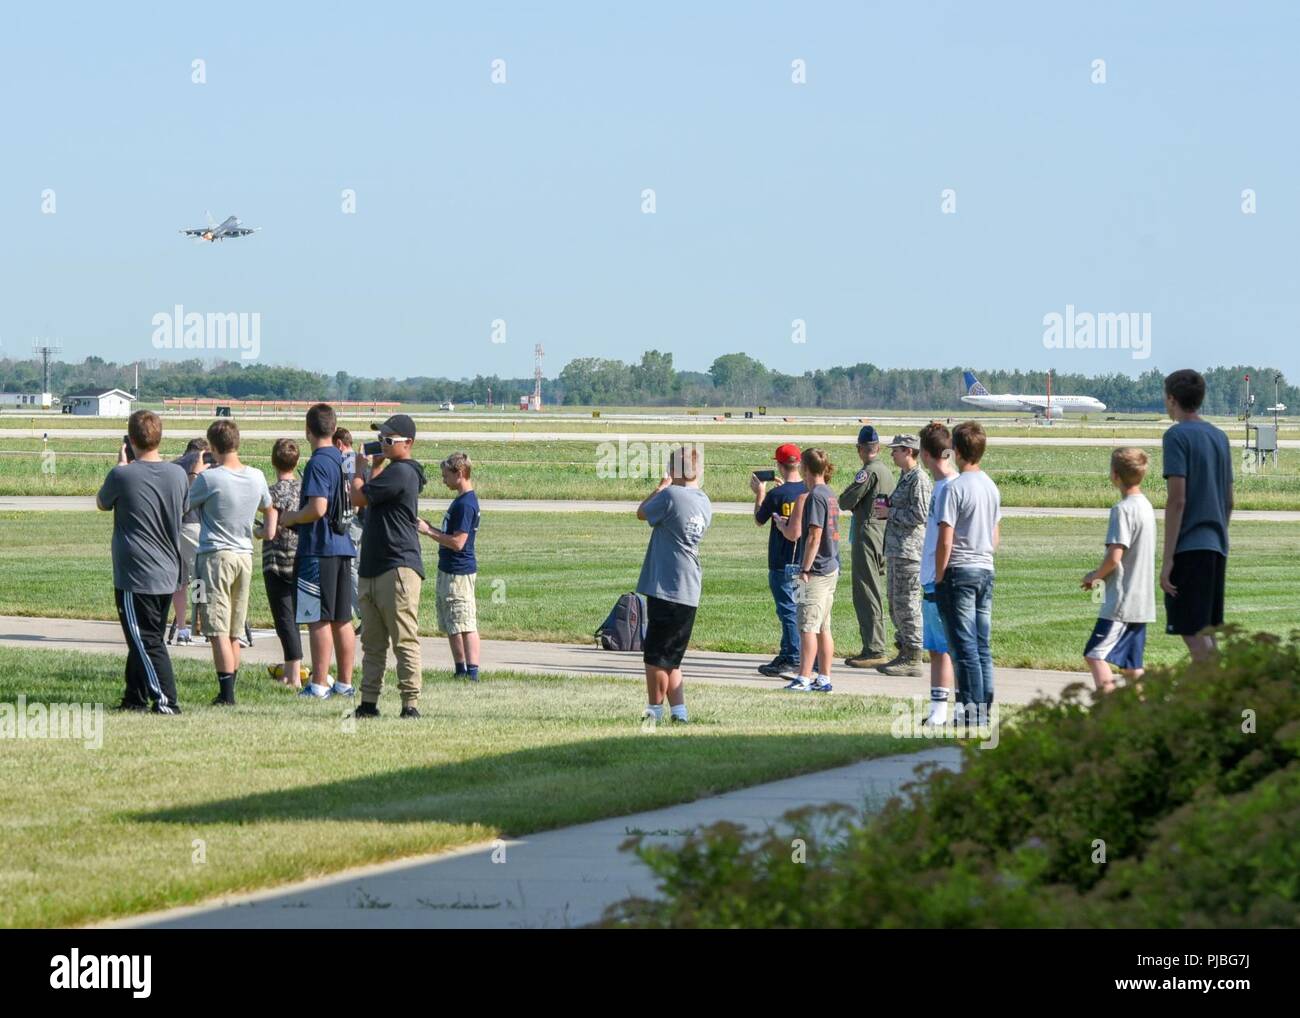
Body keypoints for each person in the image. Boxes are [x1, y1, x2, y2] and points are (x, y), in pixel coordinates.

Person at [95, 409, 188, 714]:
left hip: (138, 575)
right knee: (144, 637)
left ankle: (166, 701)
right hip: (168, 571)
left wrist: (122, 465)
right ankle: (134, 698)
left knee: (147, 641)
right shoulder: (177, 474)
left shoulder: (122, 475)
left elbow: (102, 503)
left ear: (131, 440)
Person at [187, 418, 272, 706]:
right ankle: (229, 689)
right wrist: (262, 532)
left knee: (215, 628)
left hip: (214, 556)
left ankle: (226, 695)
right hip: (244, 556)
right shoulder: (257, 476)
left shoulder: (210, 479)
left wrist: (197, 472)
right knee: (235, 629)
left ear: (212, 447)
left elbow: (185, 503)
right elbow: (269, 509)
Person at [278, 403, 357, 699]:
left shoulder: (318, 462)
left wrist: (291, 517)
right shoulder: (342, 459)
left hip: (318, 548)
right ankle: (345, 683)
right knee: (342, 618)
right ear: (334, 428)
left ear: (308, 430)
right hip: (342, 545)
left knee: (318, 619)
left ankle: (320, 684)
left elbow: (318, 508)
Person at [351, 414, 427, 718]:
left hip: (397, 567)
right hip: (373, 567)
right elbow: (369, 498)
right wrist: (375, 466)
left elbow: (358, 495)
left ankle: (411, 703)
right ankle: (368, 702)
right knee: (372, 643)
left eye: (388, 440)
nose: (381, 443)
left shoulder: (404, 472)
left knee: (404, 640)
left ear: (407, 444)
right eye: (381, 438)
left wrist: (359, 469)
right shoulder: (389, 473)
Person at [634, 444, 713, 723]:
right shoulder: (703, 500)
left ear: (673, 470)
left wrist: (660, 486)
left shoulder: (670, 496)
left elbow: (642, 512)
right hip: (689, 587)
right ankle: (679, 712)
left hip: (666, 585)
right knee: (673, 656)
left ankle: (653, 711)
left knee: (654, 655)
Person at [1160, 369, 1233, 662]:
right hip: (1216, 545)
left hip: (1189, 548)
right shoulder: (1219, 436)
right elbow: (1228, 500)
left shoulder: (1176, 436)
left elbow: (1177, 500)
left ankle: (1216, 698)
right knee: (1208, 635)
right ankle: (1217, 701)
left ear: (1171, 399)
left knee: (1192, 634)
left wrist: (1167, 560)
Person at [933, 421, 1001, 725]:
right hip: (984, 567)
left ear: (956, 451)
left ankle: (972, 713)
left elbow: (945, 538)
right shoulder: (990, 486)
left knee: (964, 646)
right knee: (982, 645)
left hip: (959, 570)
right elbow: (995, 534)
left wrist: (938, 575)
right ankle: (985, 709)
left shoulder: (955, 488)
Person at [1081, 448, 1157, 692]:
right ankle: (1144, 714)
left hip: (1122, 600)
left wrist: (1095, 576)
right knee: (1132, 665)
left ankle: (1111, 711)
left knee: (1094, 654)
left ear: (1115, 475)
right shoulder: (1146, 506)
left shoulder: (1123, 510)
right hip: (1143, 598)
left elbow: (1115, 557)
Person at [419, 451, 481, 680]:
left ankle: (471, 671)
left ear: (461, 473)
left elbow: (458, 542)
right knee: (453, 622)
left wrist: (429, 531)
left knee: (464, 621)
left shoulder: (466, 504)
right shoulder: (460, 501)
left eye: (446, 475)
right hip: (449, 569)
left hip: (458, 571)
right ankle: (460, 669)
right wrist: (432, 528)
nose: (443, 479)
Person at [782, 447, 840, 693]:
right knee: (823, 626)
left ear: (806, 468)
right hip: (831, 566)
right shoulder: (829, 493)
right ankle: (824, 676)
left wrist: (805, 568)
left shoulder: (815, 496)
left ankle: (804, 677)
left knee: (807, 625)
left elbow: (815, 535)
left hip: (815, 571)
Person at [838, 425, 894, 668]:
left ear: (860, 449)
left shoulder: (868, 472)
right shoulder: (886, 471)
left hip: (867, 531)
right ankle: (873, 645)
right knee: (872, 588)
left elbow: (845, 500)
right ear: (878, 448)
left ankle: (874, 648)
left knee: (866, 590)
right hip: (881, 531)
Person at [876, 434, 931, 677]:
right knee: (896, 602)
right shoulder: (905, 477)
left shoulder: (918, 479)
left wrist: (891, 512)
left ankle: (913, 656)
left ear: (908, 451)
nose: (892, 454)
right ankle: (904, 650)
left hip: (909, 551)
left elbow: (920, 515)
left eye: (896, 450)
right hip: (898, 550)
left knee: (907, 603)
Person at [750, 442, 804, 679]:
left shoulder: (776, 494)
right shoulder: (808, 489)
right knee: (800, 609)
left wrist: (760, 494)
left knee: (787, 610)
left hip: (782, 561)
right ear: (799, 463)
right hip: (804, 560)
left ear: (779, 466)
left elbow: (759, 520)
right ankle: (793, 652)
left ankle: (793, 657)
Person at [916, 423, 957, 725]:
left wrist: (940, 578)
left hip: (940, 578)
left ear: (927, 455)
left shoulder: (948, 489)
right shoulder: (941, 486)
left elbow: (947, 539)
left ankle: (947, 709)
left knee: (947, 647)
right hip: (932, 575)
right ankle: (937, 709)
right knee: (935, 647)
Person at [258, 438, 304, 689]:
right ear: (297, 461)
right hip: (300, 558)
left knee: (284, 618)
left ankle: (292, 674)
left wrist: (255, 532)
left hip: (277, 562)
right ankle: (293, 669)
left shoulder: (272, 493)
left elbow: (270, 531)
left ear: (273, 462)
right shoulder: (304, 489)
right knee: (296, 616)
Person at [169, 437, 210, 644]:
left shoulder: (173, 466)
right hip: (194, 524)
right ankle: (200, 623)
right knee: (201, 577)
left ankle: (182, 630)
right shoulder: (203, 466)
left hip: (172, 527)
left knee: (181, 581)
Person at [333, 426, 365, 630]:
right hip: (364, 520)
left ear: (338, 444)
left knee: (351, 567)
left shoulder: (345, 461)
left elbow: (348, 493)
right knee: (358, 566)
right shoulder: (360, 460)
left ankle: (361, 613)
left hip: (352, 518)